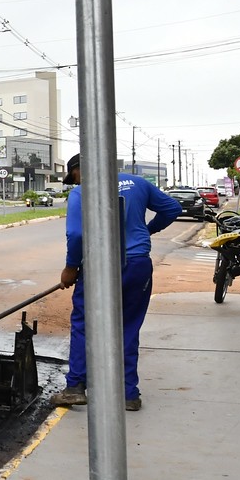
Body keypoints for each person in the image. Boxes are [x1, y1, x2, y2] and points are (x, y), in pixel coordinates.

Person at [51, 154, 183, 412]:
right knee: (128, 326)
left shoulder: (81, 193)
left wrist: (70, 267)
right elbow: (172, 209)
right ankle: (127, 394)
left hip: (100, 266)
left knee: (85, 324)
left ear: (80, 169)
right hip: (136, 264)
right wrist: (148, 229)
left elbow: (77, 234)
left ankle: (76, 387)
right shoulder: (138, 183)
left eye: (74, 176)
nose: (75, 182)